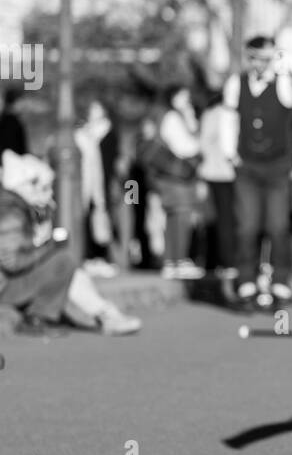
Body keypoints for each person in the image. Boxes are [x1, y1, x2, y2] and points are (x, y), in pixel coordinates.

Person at [0, 150, 140, 335]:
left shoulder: (18, 208)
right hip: (6, 286)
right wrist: (49, 246)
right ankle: (99, 314)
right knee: (63, 262)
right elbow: (12, 261)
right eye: (42, 188)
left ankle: (103, 313)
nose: (47, 193)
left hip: (10, 281)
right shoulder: (12, 213)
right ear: (25, 185)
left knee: (66, 266)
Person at [222, 36, 292, 310]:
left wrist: (280, 67)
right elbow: (230, 118)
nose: (262, 64)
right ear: (249, 58)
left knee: (278, 226)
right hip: (247, 165)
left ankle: (280, 281)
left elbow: (291, 99)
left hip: (277, 166)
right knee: (247, 226)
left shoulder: (282, 82)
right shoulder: (236, 84)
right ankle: (246, 281)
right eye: (258, 58)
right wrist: (230, 154)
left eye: (268, 58)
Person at [149, 84, 203, 281]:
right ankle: (177, 260)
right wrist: (194, 131)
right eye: (183, 96)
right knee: (181, 216)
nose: (187, 101)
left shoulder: (168, 116)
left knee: (175, 217)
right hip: (176, 176)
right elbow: (185, 147)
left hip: (171, 176)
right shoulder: (172, 117)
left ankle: (172, 261)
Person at [75, 98, 119, 278]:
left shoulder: (108, 132)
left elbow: (111, 160)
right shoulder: (82, 133)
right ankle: (87, 255)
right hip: (85, 183)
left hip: (102, 184)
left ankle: (102, 256)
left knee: (101, 218)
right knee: (85, 218)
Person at [198, 88, 237, 281]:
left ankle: (218, 261)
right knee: (225, 220)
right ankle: (227, 261)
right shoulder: (222, 114)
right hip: (222, 172)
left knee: (219, 219)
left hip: (218, 172)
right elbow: (206, 143)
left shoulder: (211, 113)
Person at [0, 88, 28, 156]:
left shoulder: (5, 120)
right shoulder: (12, 123)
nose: (24, 105)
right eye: (21, 101)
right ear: (14, 102)